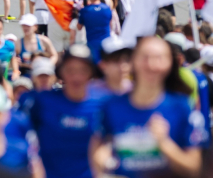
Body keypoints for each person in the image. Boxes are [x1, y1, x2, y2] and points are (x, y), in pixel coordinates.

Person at [91, 36, 204, 177]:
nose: (151, 65)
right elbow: (98, 151)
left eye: (159, 58)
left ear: (170, 63)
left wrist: (164, 144)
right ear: (133, 61)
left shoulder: (183, 108)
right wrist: (102, 160)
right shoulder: (111, 107)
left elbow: (194, 169)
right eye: (145, 57)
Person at [20, 45, 106, 178]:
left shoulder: (102, 104)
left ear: (91, 73)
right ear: (61, 73)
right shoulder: (43, 101)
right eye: (70, 70)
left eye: (83, 70)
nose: (76, 77)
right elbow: (25, 135)